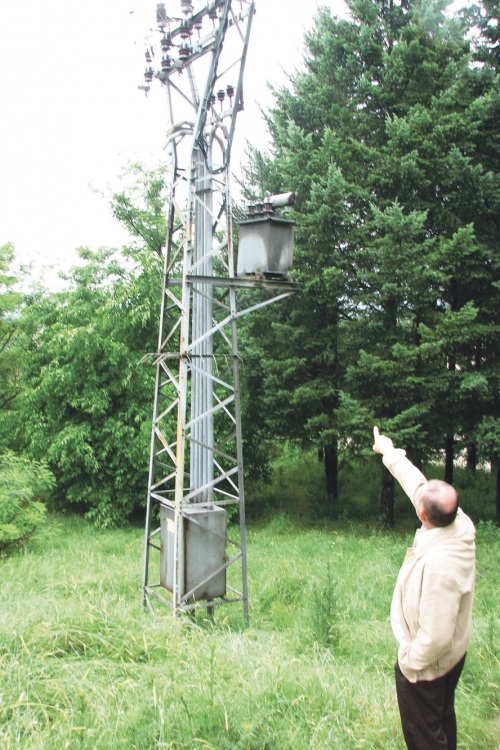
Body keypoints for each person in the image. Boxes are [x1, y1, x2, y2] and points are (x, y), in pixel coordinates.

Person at [372, 426, 476, 750]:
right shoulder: (459, 523)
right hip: (453, 654)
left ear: (421, 514)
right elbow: (417, 483)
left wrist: (408, 662)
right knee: (442, 718)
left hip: (429, 667)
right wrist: (389, 452)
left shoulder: (439, 570)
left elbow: (436, 638)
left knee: (425, 738)